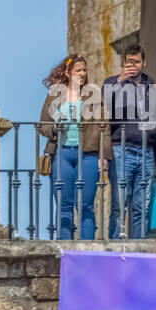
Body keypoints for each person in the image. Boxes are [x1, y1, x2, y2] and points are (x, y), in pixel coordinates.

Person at [101, 44, 156, 239]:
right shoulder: (112, 83)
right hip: (121, 150)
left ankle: (139, 248)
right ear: (124, 62)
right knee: (119, 205)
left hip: (146, 151)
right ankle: (114, 247)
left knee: (142, 206)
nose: (133, 65)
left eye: (136, 62)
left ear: (143, 63)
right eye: (129, 62)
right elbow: (103, 113)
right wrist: (120, 81)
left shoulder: (150, 85)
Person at [38, 54, 103, 240]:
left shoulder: (93, 94)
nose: (82, 74)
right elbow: (43, 124)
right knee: (64, 206)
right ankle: (65, 250)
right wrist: (54, 128)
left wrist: (103, 155)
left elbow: (103, 126)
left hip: (88, 154)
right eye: (78, 71)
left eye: (84, 70)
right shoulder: (54, 94)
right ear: (67, 73)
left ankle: (89, 253)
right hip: (61, 153)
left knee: (86, 205)